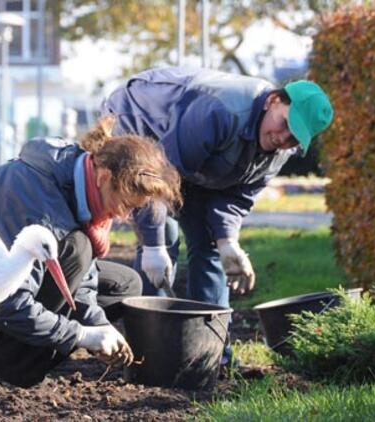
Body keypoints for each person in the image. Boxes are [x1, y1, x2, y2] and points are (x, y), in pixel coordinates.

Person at [102, 67, 333, 363]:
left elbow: (236, 198)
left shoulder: (280, 151)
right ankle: (151, 354)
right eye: (284, 124)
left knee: (211, 245)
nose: (283, 138)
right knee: (164, 235)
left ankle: (210, 354)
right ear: (273, 101)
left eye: (294, 138)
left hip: (192, 158)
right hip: (141, 123)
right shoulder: (220, 111)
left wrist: (228, 242)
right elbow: (160, 178)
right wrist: (153, 246)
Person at [0, 116, 182, 387]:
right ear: (104, 177)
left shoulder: (78, 177)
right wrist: (80, 335)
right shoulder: (36, 204)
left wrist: (98, 324)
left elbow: (83, 277)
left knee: (123, 285)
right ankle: (8, 371)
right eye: (125, 203)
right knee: (76, 249)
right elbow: (9, 301)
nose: (125, 216)